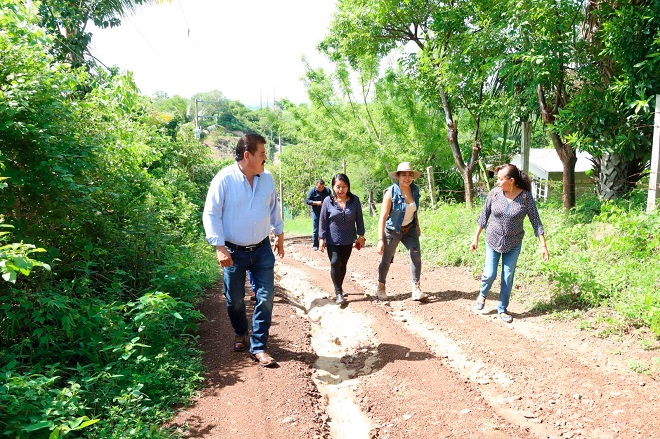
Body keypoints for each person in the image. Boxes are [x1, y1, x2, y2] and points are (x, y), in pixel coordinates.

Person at [202, 133, 284, 367]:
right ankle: (240, 331)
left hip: (262, 250)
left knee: (266, 297)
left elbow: (274, 208)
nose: (266, 158)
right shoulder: (223, 179)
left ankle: (258, 346)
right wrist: (219, 246)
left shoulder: (267, 179)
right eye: (262, 154)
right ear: (247, 156)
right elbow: (211, 214)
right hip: (233, 251)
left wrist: (279, 234)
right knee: (234, 300)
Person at [469, 163, 549, 323]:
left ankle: (502, 308)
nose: (497, 182)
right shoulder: (494, 194)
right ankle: (483, 295)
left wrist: (543, 246)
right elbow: (484, 216)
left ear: (511, 180)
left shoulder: (525, 197)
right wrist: (475, 237)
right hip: (493, 239)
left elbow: (536, 222)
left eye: (500, 179)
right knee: (489, 273)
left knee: (508, 276)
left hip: (513, 242)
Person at [376, 162, 428, 302]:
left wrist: (417, 225)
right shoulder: (390, 193)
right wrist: (380, 240)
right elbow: (383, 217)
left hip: (409, 228)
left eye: (410, 174)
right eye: (403, 174)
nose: (407, 177)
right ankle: (381, 286)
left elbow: (413, 209)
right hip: (392, 231)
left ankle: (416, 288)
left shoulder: (415, 189)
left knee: (416, 255)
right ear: (398, 176)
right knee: (387, 259)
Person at [318, 173, 366, 306]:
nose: (341, 190)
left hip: (348, 238)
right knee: (335, 262)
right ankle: (338, 292)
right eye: (338, 186)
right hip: (332, 238)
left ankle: (339, 287)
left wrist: (361, 236)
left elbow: (359, 219)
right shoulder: (328, 201)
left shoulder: (354, 200)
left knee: (343, 263)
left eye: (344, 186)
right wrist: (321, 238)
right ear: (333, 187)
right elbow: (323, 220)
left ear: (348, 186)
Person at [305, 179, 331, 250]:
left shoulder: (327, 191)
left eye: (322, 187)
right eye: (319, 187)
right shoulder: (312, 191)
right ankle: (315, 244)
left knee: (327, 227)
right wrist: (316, 203)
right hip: (316, 212)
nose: (321, 189)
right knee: (316, 228)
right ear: (316, 186)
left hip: (326, 212)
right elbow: (307, 201)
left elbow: (332, 199)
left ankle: (326, 243)